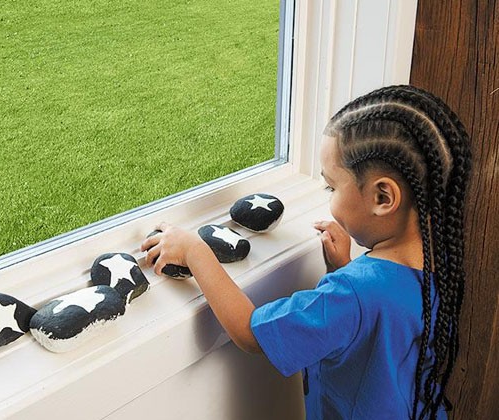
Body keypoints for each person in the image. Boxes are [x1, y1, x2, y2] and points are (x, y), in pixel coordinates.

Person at [140, 85, 471, 419]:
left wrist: (195, 251)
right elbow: (380, 336)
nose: (328, 195)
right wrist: (343, 267)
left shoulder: (352, 294)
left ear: (383, 198)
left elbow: (248, 333)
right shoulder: (435, 264)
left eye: (331, 186)